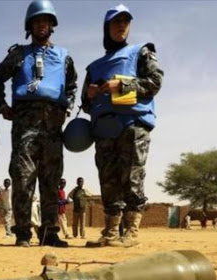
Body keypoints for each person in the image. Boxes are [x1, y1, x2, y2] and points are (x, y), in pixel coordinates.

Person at [0, 0, 78, 247]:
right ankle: (22, 232)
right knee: (23, 176)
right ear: (30, 26)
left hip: (54, 122)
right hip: (24, 120)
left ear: (52, 26)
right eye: (37, 21)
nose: (42, 25)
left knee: (51, 178)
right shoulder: (19, 54)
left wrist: (68, 107)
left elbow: (72, 85)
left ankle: (50, 232)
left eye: (46, 21)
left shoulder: (64, 57)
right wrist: (1, 106)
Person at [82, 4, 163, 248]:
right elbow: (85, 104)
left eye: (125, 22)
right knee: (108, 180)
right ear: (106, 28)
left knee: (132, 177)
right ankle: (110, 232)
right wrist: (92, 94)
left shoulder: (141, 51)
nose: (121, 26)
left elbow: (154, 82)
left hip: (132, 125)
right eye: (116, 22)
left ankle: (131, 231)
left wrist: (121, 86)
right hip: (104, 129)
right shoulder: (94, 66)